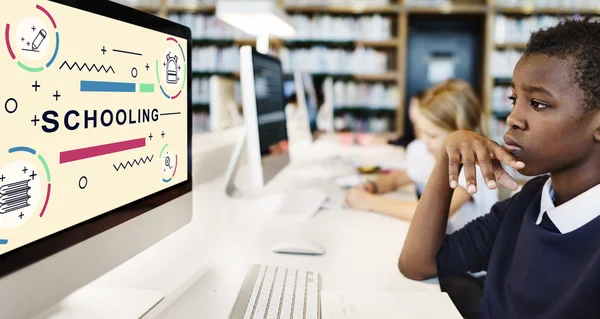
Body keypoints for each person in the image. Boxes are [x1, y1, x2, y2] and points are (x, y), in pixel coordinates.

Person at [399, 19, 600, 319]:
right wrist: (447, 157)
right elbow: (418, 264)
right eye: (515, 99)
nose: (513, 118)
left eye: (539, 104)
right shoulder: (530, 200)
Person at [346, 79, 497, 234]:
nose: (424, 141)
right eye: (421, 132)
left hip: (469, 254)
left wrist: (370, 202)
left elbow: (430, 216)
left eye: (432, 135)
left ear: (461, 133)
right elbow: (396, 179)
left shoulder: (474, 169)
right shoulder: (433, 155)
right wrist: (374, 186)